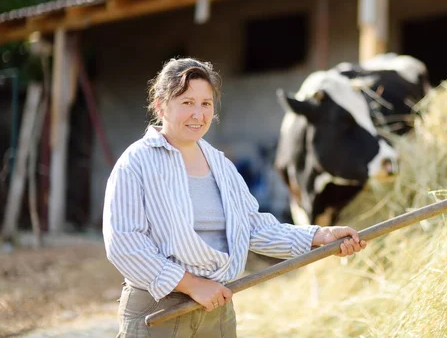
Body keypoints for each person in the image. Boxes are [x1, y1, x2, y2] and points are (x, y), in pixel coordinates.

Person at [103, 58, 367, 337]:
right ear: (160, 105)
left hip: (217, 308)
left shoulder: (221, 165)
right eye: (187, 102)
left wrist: (319, 236)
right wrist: (192, 285)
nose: (198, 114)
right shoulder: (137, 163)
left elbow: (252, 228)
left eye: (206, 103)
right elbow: (124, 242)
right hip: (158, 311)